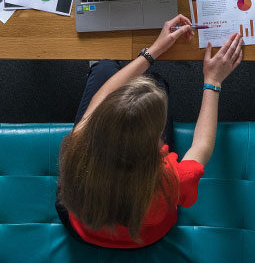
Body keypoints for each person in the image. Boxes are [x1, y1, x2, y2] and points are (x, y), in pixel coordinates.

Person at [56, 15, 243, 248]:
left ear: (100, 123)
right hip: (144, 238)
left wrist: (151, 52)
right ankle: (147, 81)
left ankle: (107, 69)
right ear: (154, 140)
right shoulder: (171, 178)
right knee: (155, 84)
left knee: (106, 69)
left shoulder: (77, 147)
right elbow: (201, 146)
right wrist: (213, 80)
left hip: (82, 228)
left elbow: (101, 97)